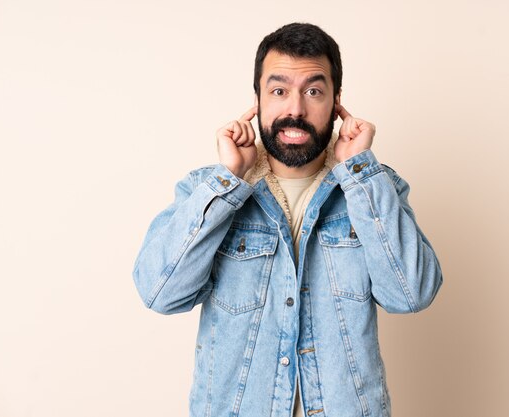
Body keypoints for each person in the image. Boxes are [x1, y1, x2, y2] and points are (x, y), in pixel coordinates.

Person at [133, 22, 442, 417]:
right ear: (257, 101)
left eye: (313, 91)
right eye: (279, 91)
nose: (295, 109)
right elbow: (160, 294)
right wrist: (229, 180)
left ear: (336, 102)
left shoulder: (373, 189)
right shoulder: (208, 189)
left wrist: (360, 172)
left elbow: (411, 295)